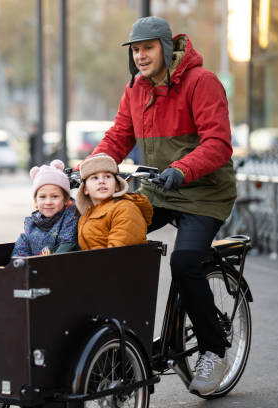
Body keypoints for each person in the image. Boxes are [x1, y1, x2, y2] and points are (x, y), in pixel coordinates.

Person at [88, 16, 237, 395]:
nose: (140, 56)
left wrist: (182, 170)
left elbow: (218, 144)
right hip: (159, 191)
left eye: (147, 48)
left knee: (185, 261)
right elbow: (117, 138)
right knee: (104, 232)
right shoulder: (136, 89)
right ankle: (120, 338)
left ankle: (213, 350)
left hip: (205, 193)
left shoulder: (202, 82)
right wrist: (87, 169)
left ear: (167, 49)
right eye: (135, 50)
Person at [76, 154, 152, 249]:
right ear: (85, 189)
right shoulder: (87, 213)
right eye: (95, 178)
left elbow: (116, 253)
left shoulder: (125, 209)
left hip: (116, 262)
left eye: (107, 176)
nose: (101, 181)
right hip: (96, 262)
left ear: (117, 186)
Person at [12, 159, 79, 257]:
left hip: (57, 266)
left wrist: (45, 261)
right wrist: (23, 262)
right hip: (34, 269)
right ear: (36, 201)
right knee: (22, 240)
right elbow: (21, 250)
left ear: (65, 199)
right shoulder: (31, 223)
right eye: (42, 197)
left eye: (55, 196)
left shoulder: (70, 217)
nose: (48, 202)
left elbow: (68, 242)